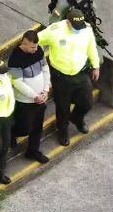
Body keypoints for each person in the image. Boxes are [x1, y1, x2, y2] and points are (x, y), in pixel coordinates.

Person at [37, 9, 100, 147]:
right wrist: (39, 59)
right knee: (62, 107)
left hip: (80, 73)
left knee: (87, 102)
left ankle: (77, 118)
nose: (78, 29)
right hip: (61, 76)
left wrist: (95, 66)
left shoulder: (86, 29)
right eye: (75, 27)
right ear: (67, 22)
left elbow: (91, 47)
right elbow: (36, 40)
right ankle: (63, 131)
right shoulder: (55, 30)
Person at [8, 30, 51, 164]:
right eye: (33, 47)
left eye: (36, 46)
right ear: (24, 44)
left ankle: (33, 151)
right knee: (24, 128)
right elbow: (17, 82)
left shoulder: (39, 51)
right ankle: (10, 134)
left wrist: (45, 90)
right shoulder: (15, 59)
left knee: (37, 127)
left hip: (40, 98)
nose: (36, 49)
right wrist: (34, 96)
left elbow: (45, 69)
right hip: (25, 101)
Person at [47, 0, 111, 57]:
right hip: (70, 37)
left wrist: (97, 37)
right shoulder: (64, 3)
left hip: (83, 33)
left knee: (98, 59)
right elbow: (53, 24)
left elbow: (90, 18)